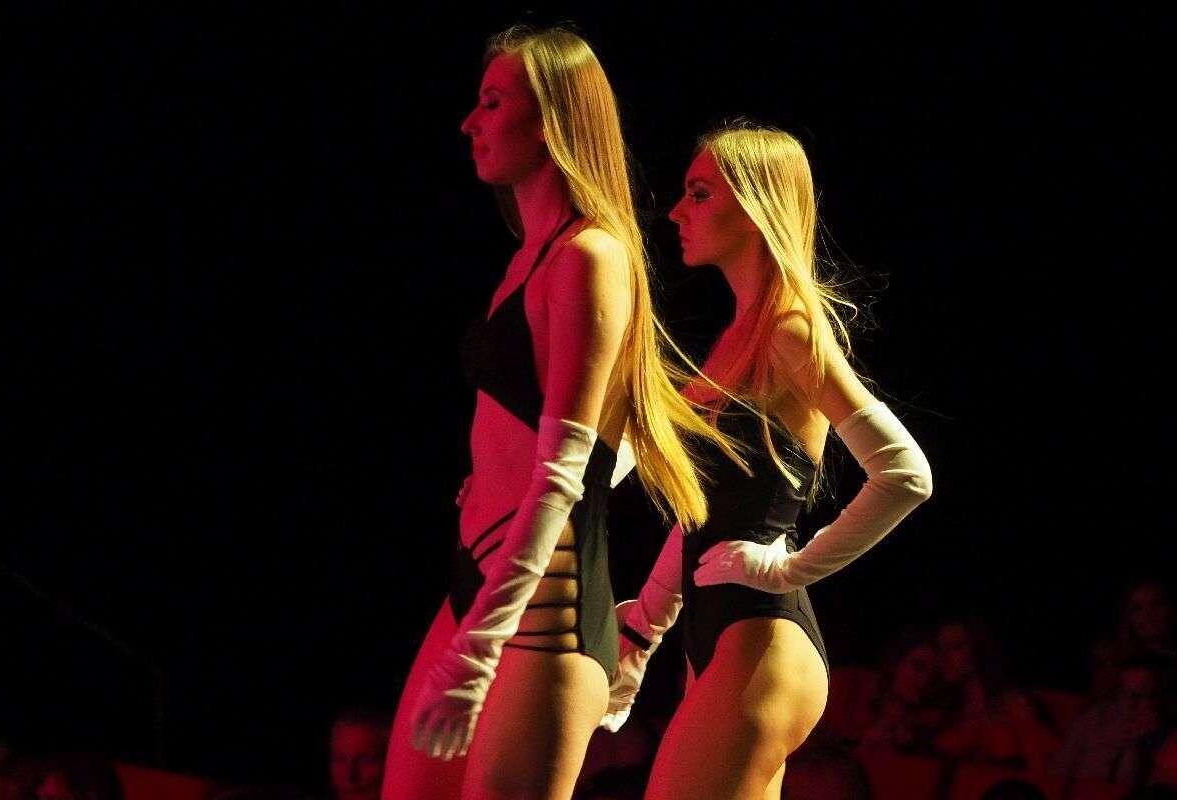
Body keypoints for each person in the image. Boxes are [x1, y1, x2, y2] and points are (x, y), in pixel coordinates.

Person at [382, 26, 742, 800]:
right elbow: (612, 435)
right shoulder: (529, 259)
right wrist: (490, 481)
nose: (469, 123)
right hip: (482, 575)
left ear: (551, 118)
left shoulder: (589, 256)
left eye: (492, 102)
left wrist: (477, 650)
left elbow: (565, 472)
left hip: (544, 604)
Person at [601, 124, 932, 799]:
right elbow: (708, 511)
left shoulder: (789, 328)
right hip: (723, 637)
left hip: (761, 638)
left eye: (700, 194)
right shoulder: (740, 335)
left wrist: (791, 566)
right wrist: (645, 624)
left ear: (755, 206)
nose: (676, 212)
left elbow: (905, 473)